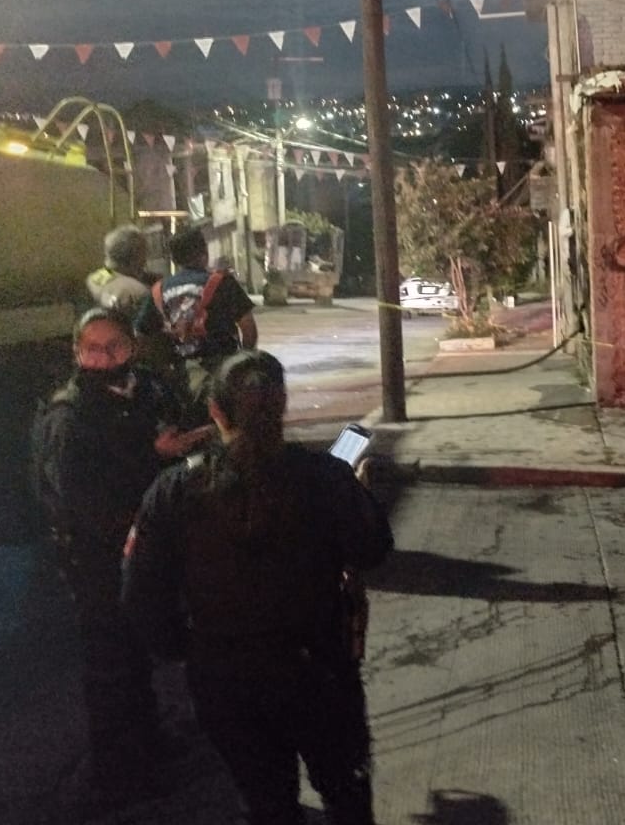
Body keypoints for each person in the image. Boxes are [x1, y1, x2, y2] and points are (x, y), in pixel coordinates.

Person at [122, 351, 392, 825]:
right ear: (282, 405)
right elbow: (372, 549)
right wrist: (357, 494)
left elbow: (141, 595)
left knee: (266, 804)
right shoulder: (325, 478)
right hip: (319, 671)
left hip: (225, 680)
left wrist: (190, 648)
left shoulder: (174, 490)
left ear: (215, 412)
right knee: (346, 796)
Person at [30, 308, 199, 806]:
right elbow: (82, 500)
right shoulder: (68, 414)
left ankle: (149, 745)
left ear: (132, 348)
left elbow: (174, 421)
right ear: (76, 351)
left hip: (144, 550)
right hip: (97, 562)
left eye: (113, 348)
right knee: (110, 668)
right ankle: (120, 775)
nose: (102, 359)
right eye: (92, 349)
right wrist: (156, 456)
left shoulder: (144, 388)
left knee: (139, 653)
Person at [136, 225, 258, 423]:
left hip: (180, 376)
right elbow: (248, 328)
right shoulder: (223, 282)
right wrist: (244, 359)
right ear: (205, 252)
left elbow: (141, 337)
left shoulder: (158, 291)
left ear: (174, 260)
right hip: (223, 370)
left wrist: (163, 368)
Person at [85, 224, 156, 316]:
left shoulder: (94, 279)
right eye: (144, 252)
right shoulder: (138, 292)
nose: (145, 260)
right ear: (134, 255)